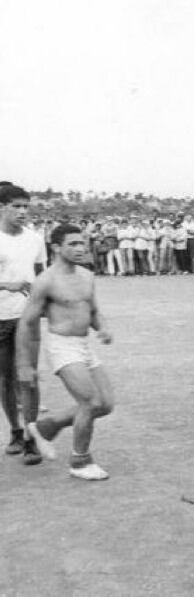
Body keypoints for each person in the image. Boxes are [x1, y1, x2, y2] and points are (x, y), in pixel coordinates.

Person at [17, 224, 114, 479]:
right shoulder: (46, 281)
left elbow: (93, 311)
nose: (81, 248)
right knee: (90, 402)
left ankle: (45, 427)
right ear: (56, 247)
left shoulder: (87, 275)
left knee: (105, 404)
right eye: (73, 244)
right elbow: (27, 323)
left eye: (82, 242)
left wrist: (103, 327)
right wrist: (25, 365)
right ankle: (80, 461)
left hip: (84, 345)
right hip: (61, 346)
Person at [0, 185, 47, 463]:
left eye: (25, 207)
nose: (22, 212)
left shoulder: (35, 239)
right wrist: (7, 284)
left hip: (27, 319)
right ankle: (16, 431)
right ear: (2, 207)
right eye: (16, 206)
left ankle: (32, 437)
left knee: (28, 377)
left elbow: (42, 275)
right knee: (6, 380)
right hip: (0, 318)